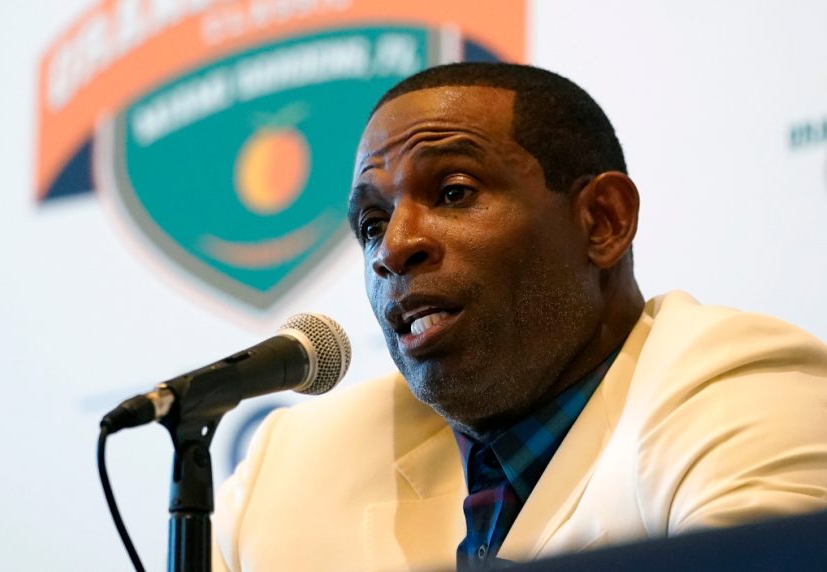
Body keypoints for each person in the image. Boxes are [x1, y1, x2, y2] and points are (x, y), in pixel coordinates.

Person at [211, 62, 827, 571]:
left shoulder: (737, 387)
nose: (394, 248)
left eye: (453, 192)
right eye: (372, 225)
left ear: (602, 221)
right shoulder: (287, 468)